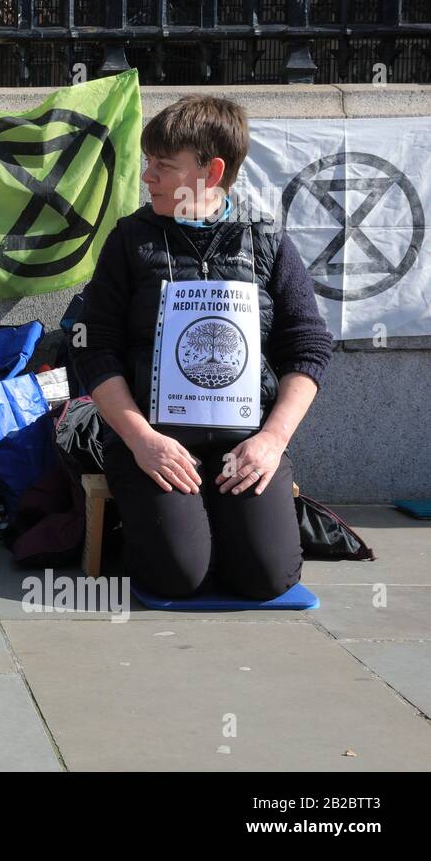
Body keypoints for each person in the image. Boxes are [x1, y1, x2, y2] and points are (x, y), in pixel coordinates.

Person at [71, 95, 333, 599]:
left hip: (244, 443)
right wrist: (142, 440)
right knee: (177, 575)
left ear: (211, 172)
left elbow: (308, 347)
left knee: (267, 579)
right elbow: (92, 347)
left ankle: (218, 525)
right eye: (148, 164)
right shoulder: (130, 241)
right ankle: (172, 529)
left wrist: (271, 441)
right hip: (156, 442)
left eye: (163, 167)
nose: (147, 177)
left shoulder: (266, 242)